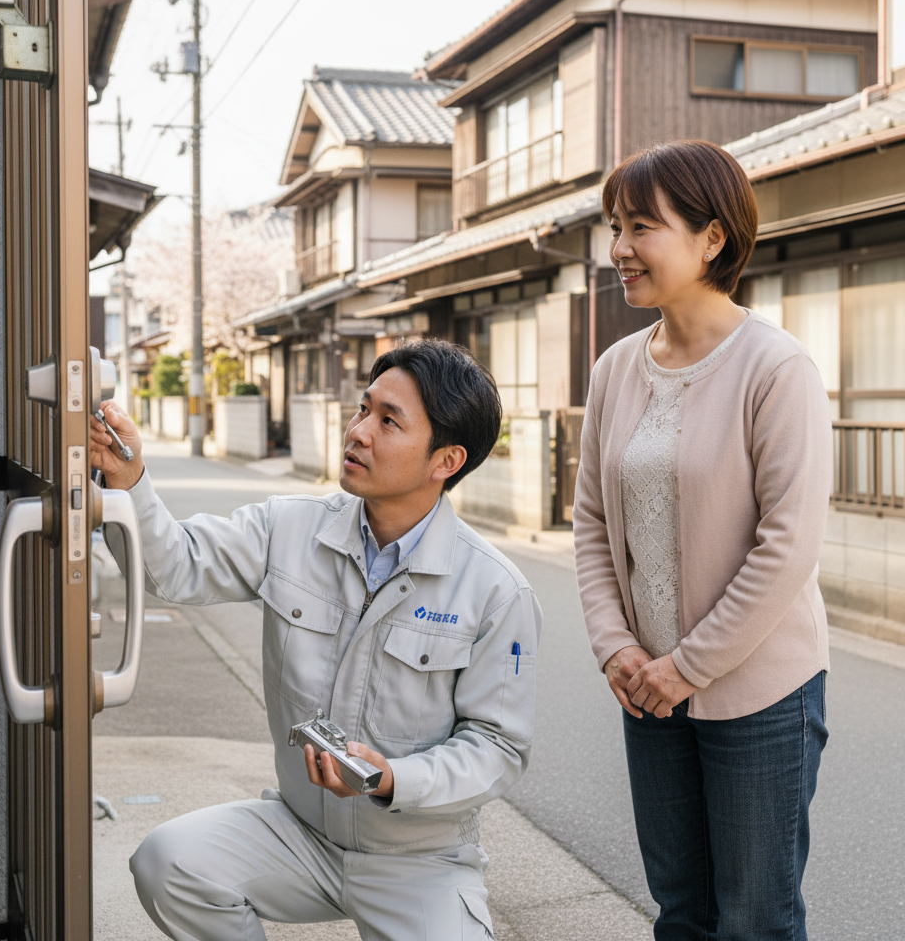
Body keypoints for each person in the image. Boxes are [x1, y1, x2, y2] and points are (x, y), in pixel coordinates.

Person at [92, 339, 541, 941]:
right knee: (168, 862)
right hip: (299, 833)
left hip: (418, 862)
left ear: (446, 461)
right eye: (363, 410)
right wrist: (131, 480)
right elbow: (174, 567)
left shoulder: (494, 590)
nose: (358, 432)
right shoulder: (289, 527)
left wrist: (391, 779)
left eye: (388, 422)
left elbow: (497, 750)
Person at [573, 140, 831, 941]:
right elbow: (588, 522)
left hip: (759, 693)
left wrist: (686, 667)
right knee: (681, 912)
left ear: (712, 238)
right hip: (647, 687)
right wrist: (618, 648)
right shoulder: (615, 369)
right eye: (615, 226)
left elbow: (787, 545)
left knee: (754, 919)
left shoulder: (776, 367)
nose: (619, 249)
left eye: (641, 227)